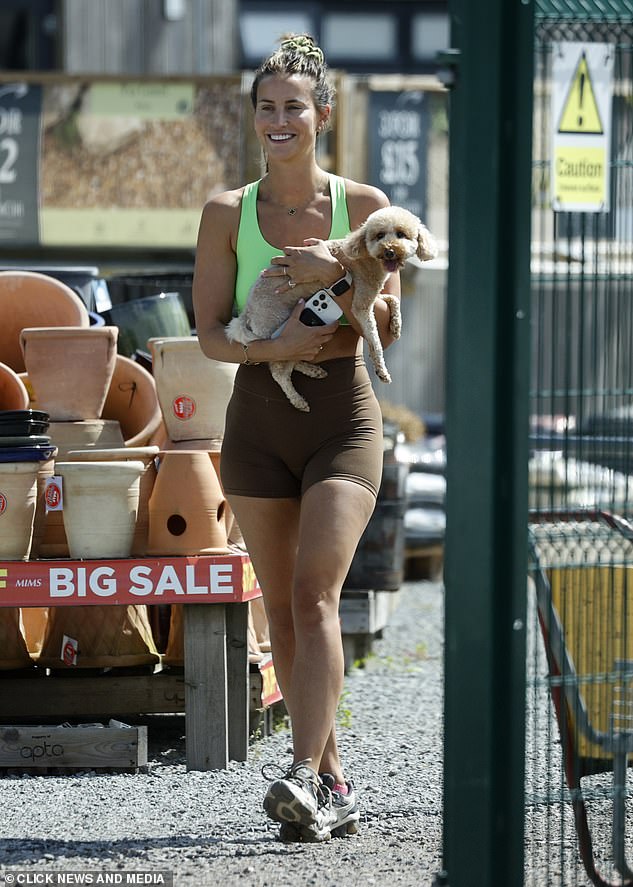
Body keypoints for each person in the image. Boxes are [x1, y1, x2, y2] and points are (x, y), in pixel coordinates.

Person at [192, 33, 400, 843]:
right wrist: (270, 348)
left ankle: (305, 775)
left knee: (317, 594)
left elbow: (390, 318)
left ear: (323, 113)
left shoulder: (361, 205)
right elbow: (209, 333)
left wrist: (336, 274)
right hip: (256, 419)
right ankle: (335, 783)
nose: (281, 121)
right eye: (267, 108)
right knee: (280, 609)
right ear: (255, 118)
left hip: (343, 422)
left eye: (295, 108)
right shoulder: (226, 212)